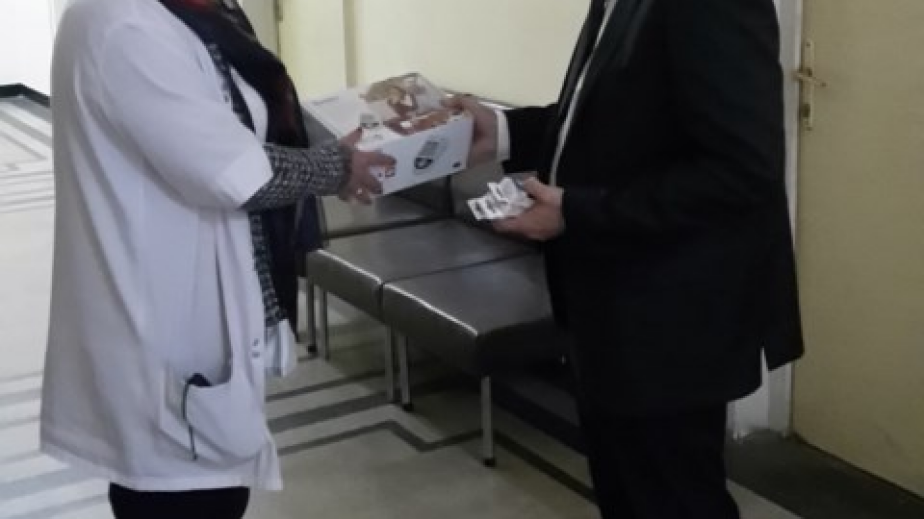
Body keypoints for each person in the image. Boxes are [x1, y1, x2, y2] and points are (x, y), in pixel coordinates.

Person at [449, 0, 804, 517]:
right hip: (606, 312)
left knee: (675, 501)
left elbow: (742, 170)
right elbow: (602, 121)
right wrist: (501, 131)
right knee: (627, 496)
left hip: (672, 328)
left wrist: (577, 210)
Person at [40, 0, 393, 517]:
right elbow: (233, 171)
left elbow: (246, 120)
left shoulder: (197, 14)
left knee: (216, 487)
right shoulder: (124, 22)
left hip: (193, 315)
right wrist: (337, 166)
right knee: (184, 495)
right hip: (160, 332)